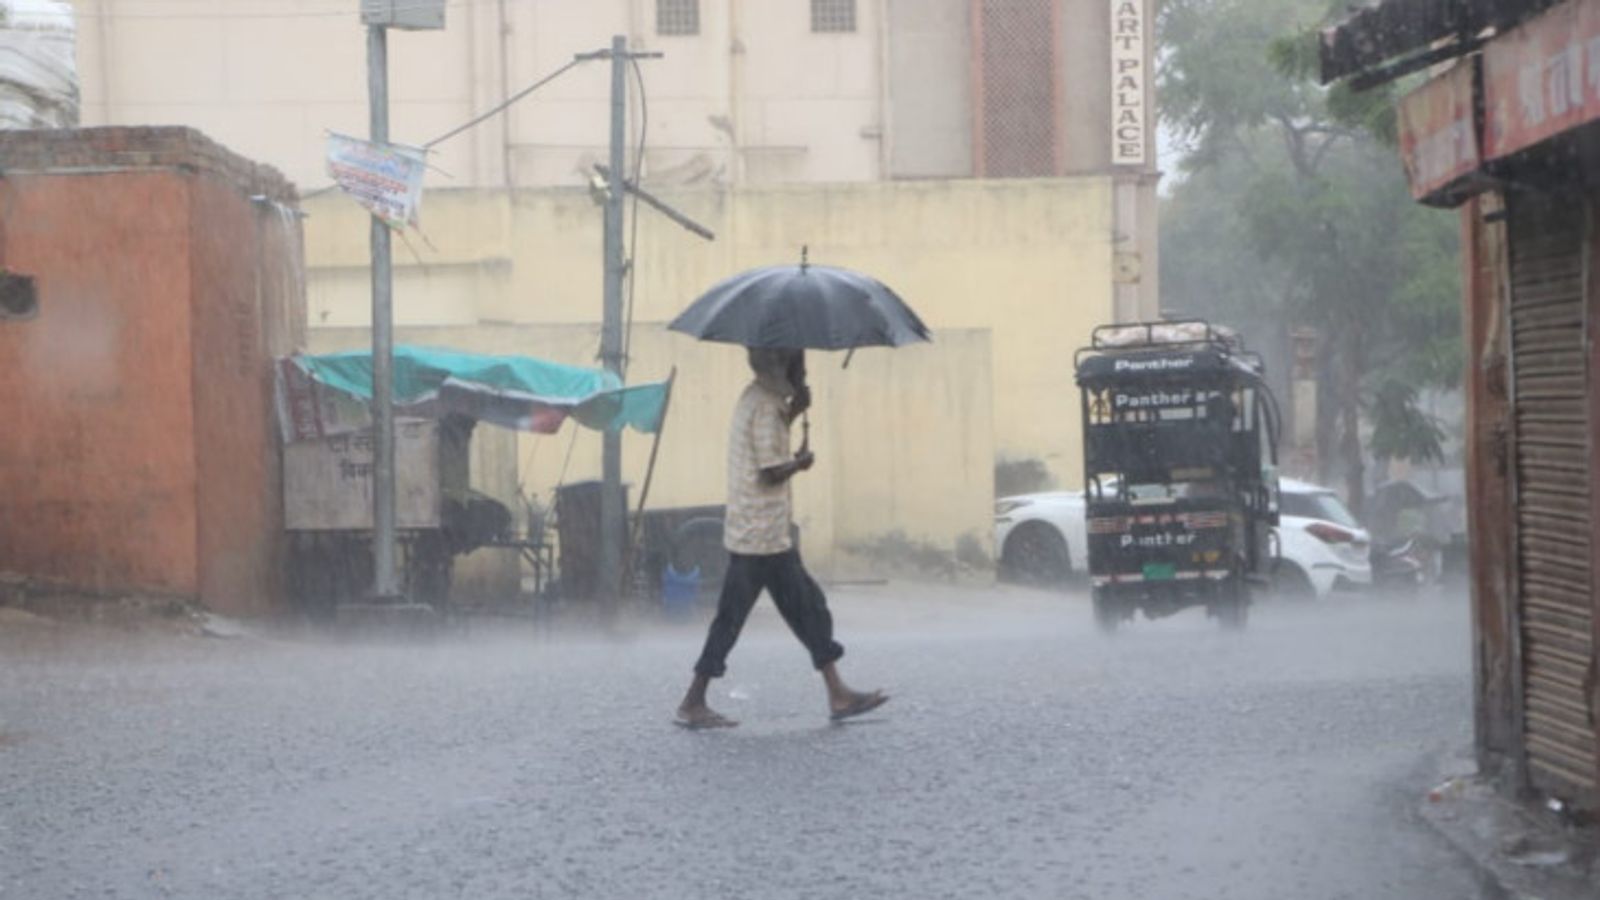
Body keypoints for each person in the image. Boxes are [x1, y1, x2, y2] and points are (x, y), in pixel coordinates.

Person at [675, 347, 888, 729]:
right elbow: (771, 470)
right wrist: (801, 464)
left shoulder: (759, 398)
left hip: (762, 534)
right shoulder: (767, 406)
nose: (803, 371)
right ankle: (694, 701)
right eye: (798, 364)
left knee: (805, 609)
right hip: (760, 538)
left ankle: (836, 691)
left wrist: (796, 411)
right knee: (753, 616)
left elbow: (768, 442)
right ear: (782, 365)